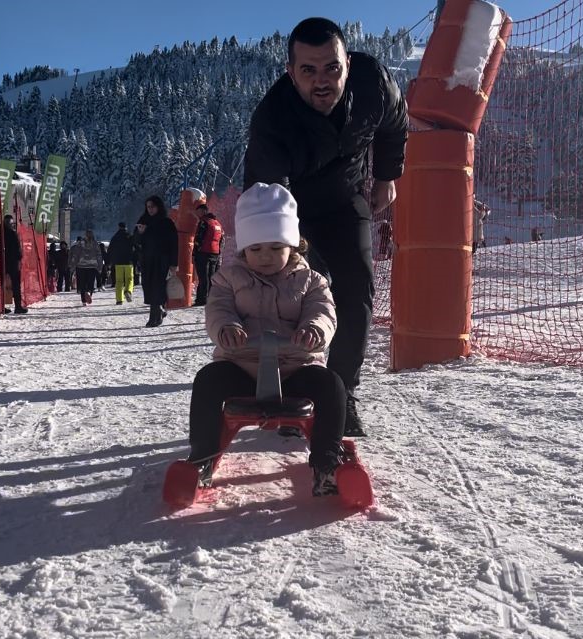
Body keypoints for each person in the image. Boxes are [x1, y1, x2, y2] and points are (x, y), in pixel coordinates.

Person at [243, 17, 408, 436]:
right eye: (308, 71)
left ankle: (340, 393)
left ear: (347, 64)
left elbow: (395, 125)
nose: (322, 81)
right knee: (290, 296)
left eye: (331, 68)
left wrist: (387, 177)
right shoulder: (272, 121)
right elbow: (267, 199)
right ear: (290, 72)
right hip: (287, 209)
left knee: (356, 286)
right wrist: (285, 248)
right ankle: (290, 388)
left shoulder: (373, 83)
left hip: (344, 200)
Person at [187, 183, 345, 496]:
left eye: (276, 247)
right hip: (242, 366)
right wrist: (226, 328)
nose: (266, 257)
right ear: (244, 248)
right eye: (256, 249)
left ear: (293, 245)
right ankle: (202, 457)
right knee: (207, 380)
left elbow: (323, 311)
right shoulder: (228, 278)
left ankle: (327, 461)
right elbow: (218, 309)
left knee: (331, 386)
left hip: (295, 368)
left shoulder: (312, 281)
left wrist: (314, 330)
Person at [135, 195, 179, 327]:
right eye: (148, 207)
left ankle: (155, 316)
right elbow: (135, 241)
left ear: (158, 206)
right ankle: (159, 311)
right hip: (147, 260)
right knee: (148, 287)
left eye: (152, 206)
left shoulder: (167, 222)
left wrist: (173, 263)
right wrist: (140, 234)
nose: (150, 209)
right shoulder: (143, 221)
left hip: (162, 260)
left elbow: (174, 244)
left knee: (158, 286)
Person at [191, 203, 225, 306]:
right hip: (214, 254)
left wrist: (194, 253)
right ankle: (211, 298)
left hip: (203, 253)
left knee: (203, 277)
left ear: (204, 211)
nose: (197, 214)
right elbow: (222, 240)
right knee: (211, 277)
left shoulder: (203, 222)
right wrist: (219, 253)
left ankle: (201, 299)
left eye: (198, 212)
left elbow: (199, 239)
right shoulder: (218, 224)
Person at [1, 214, 27, 314]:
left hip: (1, 261)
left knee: (0, 285)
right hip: (12, 263)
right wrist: (19, 258)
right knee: (16, 285)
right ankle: (18, 306)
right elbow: (18, 250)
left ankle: (0, 306)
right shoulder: (12, 233)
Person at [70, 229, 104, 305]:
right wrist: (100, 266)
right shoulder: (95, 244)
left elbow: (75, 255)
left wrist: (73, 265)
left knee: (82, 283)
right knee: (91, 282)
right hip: (92, 266)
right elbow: (99, 255)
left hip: (81, 266)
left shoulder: (80, 243)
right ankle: (89, 292)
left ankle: (83, 301)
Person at [108, 222, 136, 304]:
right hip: (128, 261)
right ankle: (128, 291)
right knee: (129, 279)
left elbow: (110, 249)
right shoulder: (130, 236)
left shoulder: (115, 237)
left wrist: (111, 260)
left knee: (119, 281)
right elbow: (135, 247)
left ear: (118, 227)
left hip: (118, 262)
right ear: (125, 227)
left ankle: (119, 299)